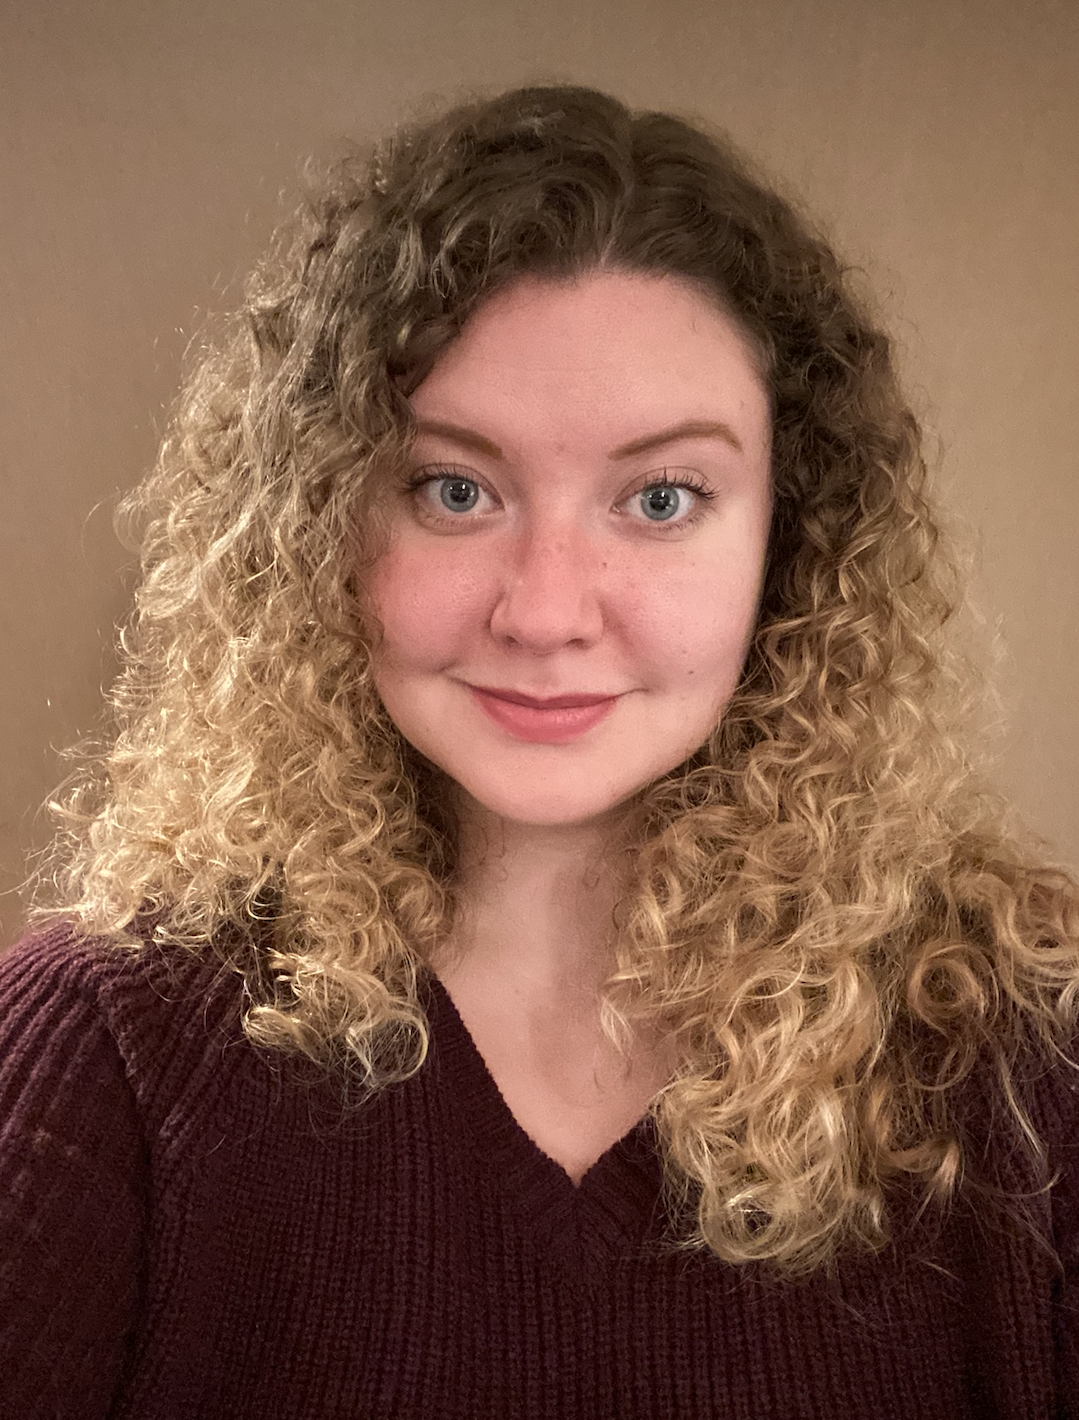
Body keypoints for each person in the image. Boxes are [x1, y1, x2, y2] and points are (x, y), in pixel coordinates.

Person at [2, 84, 1078, 1419]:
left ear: (790, 544)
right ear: (323, 523)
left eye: (661, 498)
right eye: (455, 490)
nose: (547, 611)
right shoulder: (102, 1059)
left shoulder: (1030, 1064)